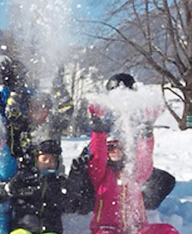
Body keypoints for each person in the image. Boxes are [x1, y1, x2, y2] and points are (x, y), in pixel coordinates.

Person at [87, 105, 192, 234]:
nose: (115, 153)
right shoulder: (101, 175)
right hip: (106, 229)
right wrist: (99, 129)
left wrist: (146, 132)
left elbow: (145, 159)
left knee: (167, 231)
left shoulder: (133, 174)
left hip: (137, 229)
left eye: (118, 150)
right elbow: (96, 157)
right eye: (110, 150)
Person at [67, 73, 176, 213]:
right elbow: (97, 148)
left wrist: (147, 129)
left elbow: (142, 153)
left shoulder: (136, 112)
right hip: (103, 156)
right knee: (85, 177)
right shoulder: (105, 108)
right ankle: (94, 203)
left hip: (126, 157)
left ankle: (136, 203)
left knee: (164, 180)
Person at [7, 139, 79, 234]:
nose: (48, 163)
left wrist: (76, 177)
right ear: (35, 160)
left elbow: (70, 203)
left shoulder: (59, 183)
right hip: (23, 225)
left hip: (50, 226)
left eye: (52, 160)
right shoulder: (24, 179)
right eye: (44, 159)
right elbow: (12, 194)